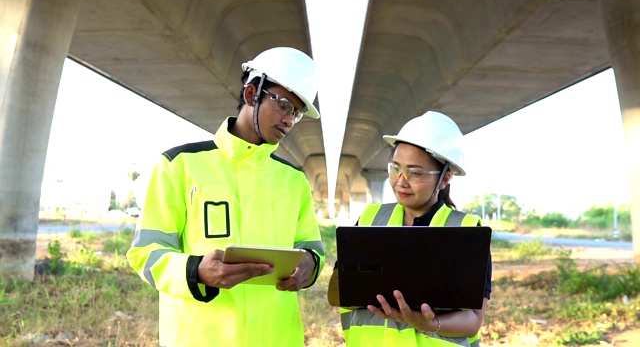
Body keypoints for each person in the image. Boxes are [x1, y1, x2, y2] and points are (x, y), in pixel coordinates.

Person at [127, 47, 326, 347]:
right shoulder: (179, 165)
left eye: (297, 113)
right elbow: (145, 253)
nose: (290, 120)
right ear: (251, 95)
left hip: (277, 337)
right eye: (285, 105)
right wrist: (196, 271)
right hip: (200, 338)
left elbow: (312, 249)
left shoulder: (294, 181)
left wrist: (309, 268)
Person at [328, 111, 492, 347]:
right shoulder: (370, 220)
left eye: (415, 173)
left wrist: (428, 323)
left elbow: (473, 320)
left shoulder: (466, 232)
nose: (401, 181)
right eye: (395, 168)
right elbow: (336, 295)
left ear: (446, 178)